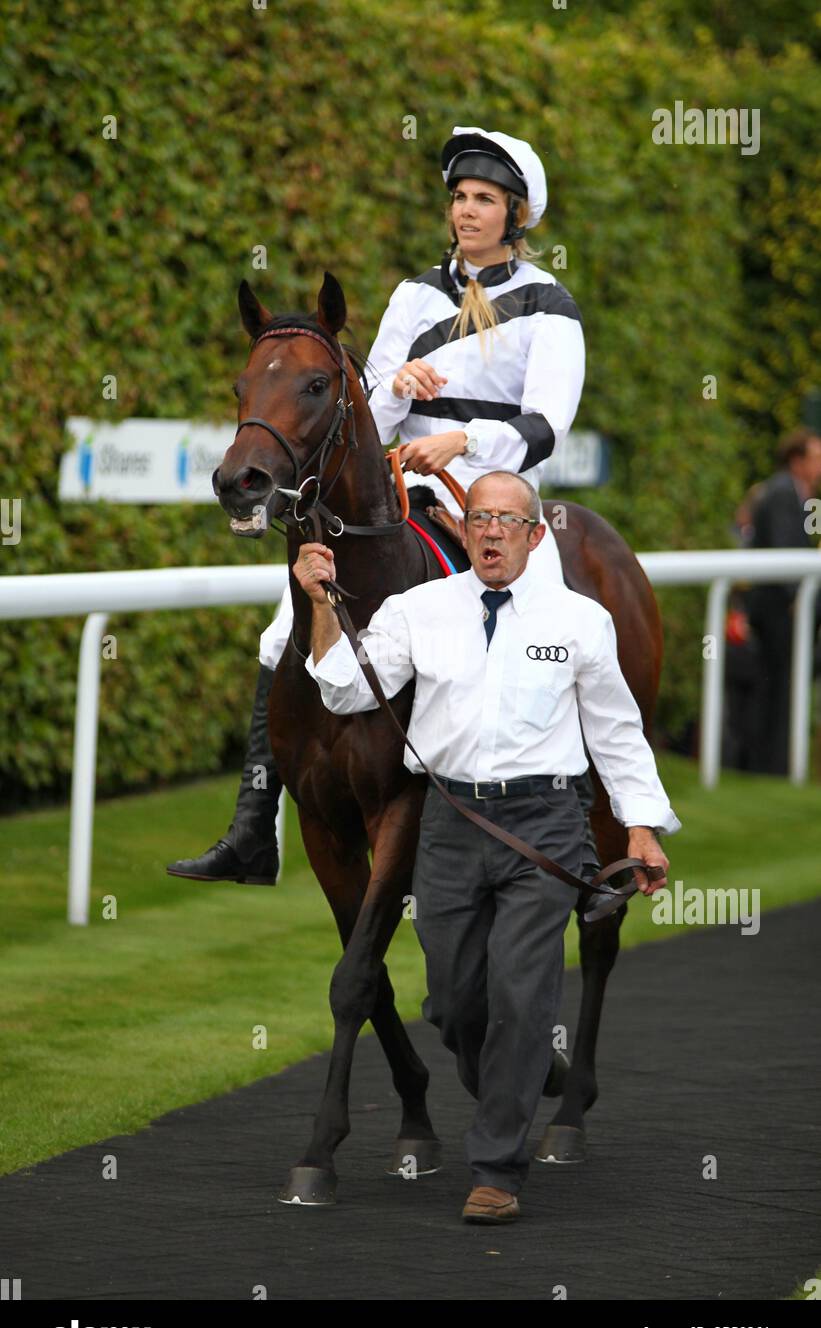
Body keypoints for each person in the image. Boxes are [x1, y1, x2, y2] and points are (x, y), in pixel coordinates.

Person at [167, 125, 586, 886]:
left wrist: (458, 442)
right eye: (459, 197)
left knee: (546, 620)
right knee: (277, 635)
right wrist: (392, 390)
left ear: (515, 215)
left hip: (495, 498)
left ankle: (568, 837)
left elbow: (546, 426)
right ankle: (253, 826)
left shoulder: (549, 306)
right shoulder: (413, 295)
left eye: (484, 200)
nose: (466, 211)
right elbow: (365, 422)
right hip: (398, 495)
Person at [293, 469, 680, 1223]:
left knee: (521, 994)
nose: (493, 531)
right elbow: (343, 689)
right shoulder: (417, 609)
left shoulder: (580, 621)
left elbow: (616, 733)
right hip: (448, 826)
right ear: (463, 531)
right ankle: (517, 1071)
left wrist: (640, 824)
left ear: (536, 536)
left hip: (544, 827)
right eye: (480, 519)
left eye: (508, 520)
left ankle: (497, 1168)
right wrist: (320, 609)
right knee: (453, 1004)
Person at [745, 428, 821, 775]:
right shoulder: (780, 493)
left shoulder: (799, 494)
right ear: (797, 460)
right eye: (815, 457)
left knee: (785, 684)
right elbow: (781, 549)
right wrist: (796, 599)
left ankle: (779, 762)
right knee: (779, 685)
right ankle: (772, 765)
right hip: (776, 609)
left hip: (787, 608)